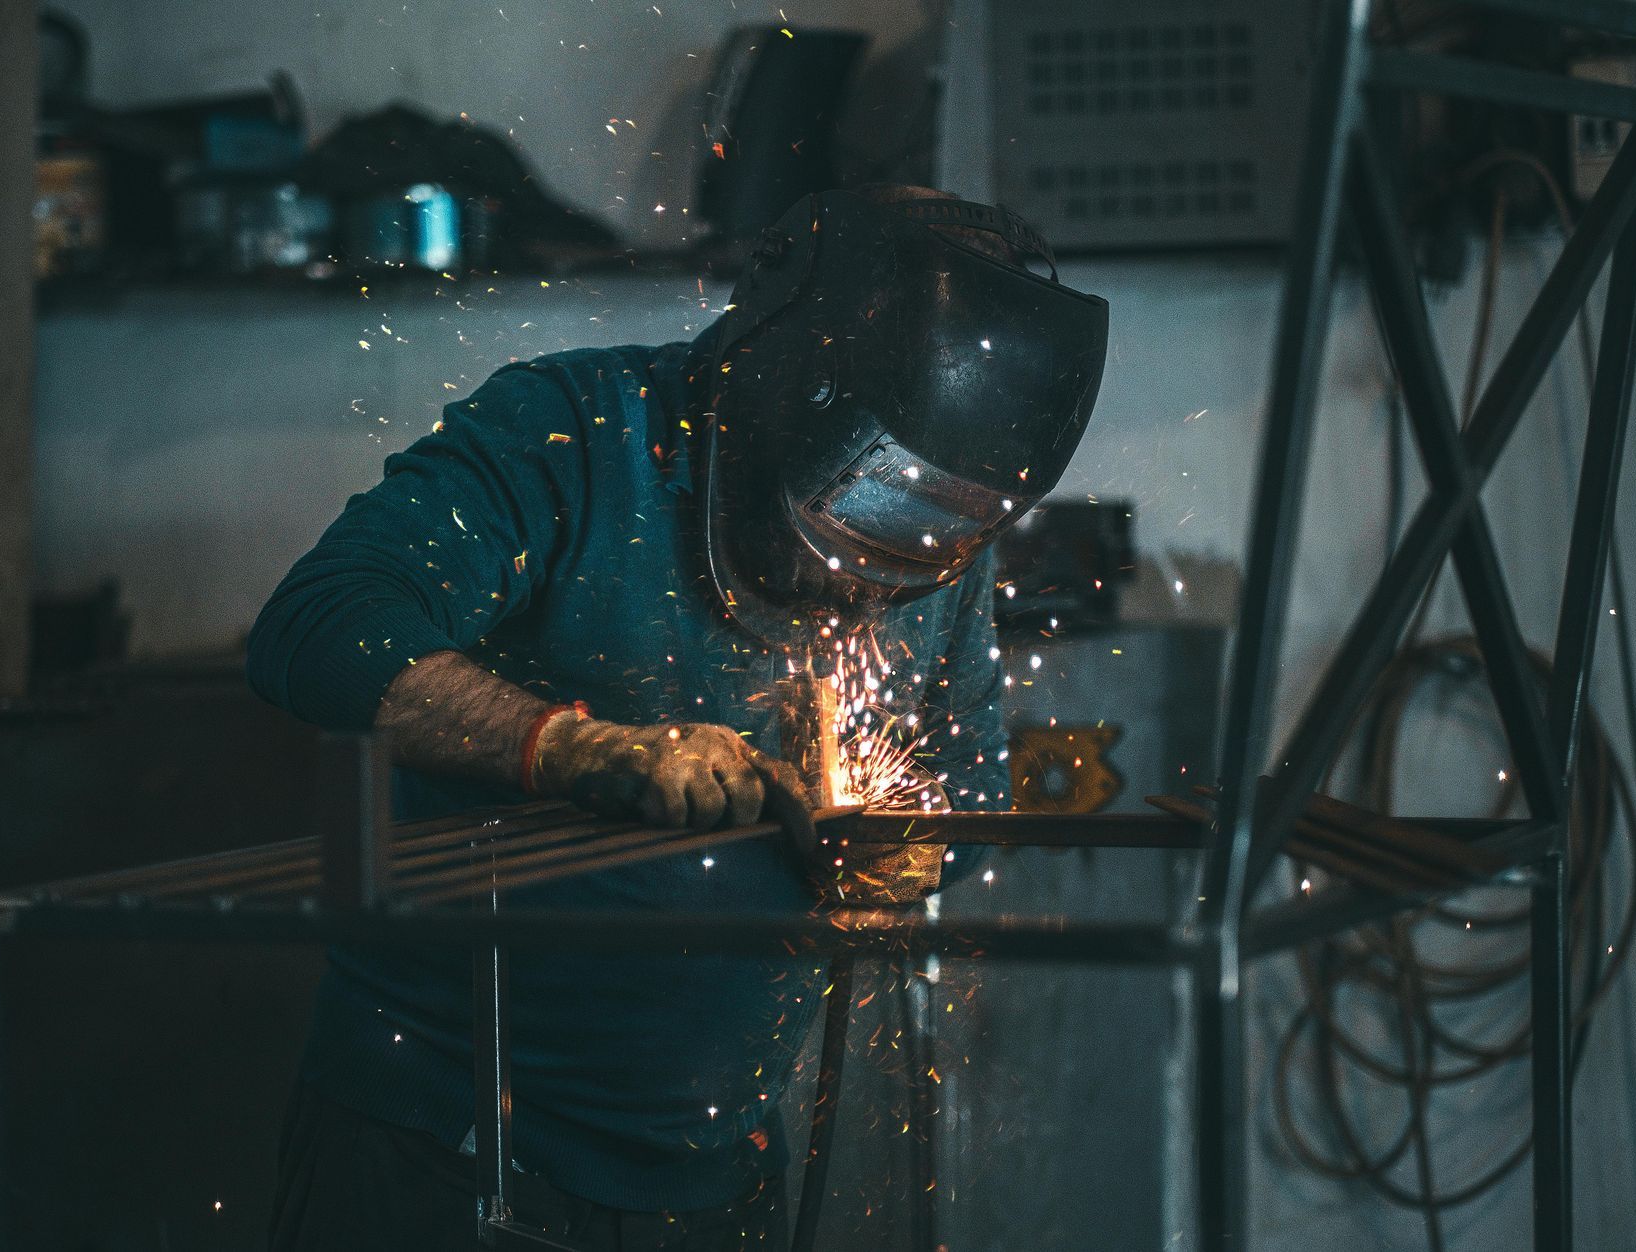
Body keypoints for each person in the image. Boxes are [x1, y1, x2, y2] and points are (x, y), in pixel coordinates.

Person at [247, 183, 1109, 1250]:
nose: (874, 573)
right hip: (441, 1151)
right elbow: (320, 623)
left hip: (711, 1173)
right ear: (793, 376)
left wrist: (915, 848)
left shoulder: (938, 540)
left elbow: (970, 781)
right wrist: (567, 747)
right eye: (859, 508)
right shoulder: (571, 435)